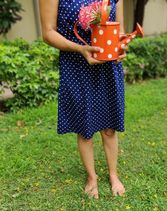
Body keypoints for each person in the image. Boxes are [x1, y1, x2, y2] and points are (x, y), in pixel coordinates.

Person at [39, 0, 128, 199]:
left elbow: (118, 30)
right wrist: (80, 48)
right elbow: (48, 32)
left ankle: (113, 175)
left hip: (108, 65)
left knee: (110, 127)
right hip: (76, 66)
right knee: (84, 128)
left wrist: (120, 46)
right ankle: (92, 178)